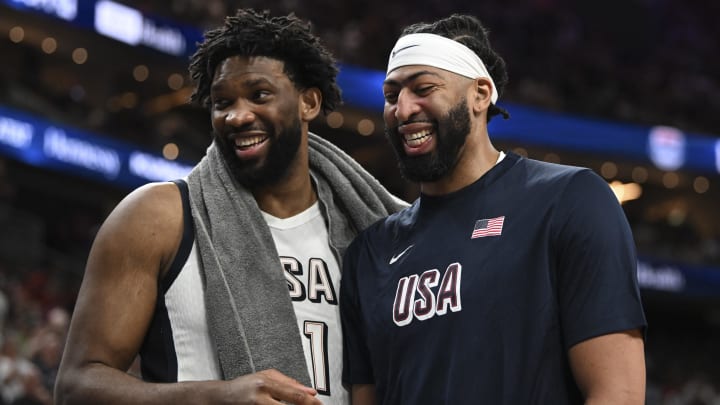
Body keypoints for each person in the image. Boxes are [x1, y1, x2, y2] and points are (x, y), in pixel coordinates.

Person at [54, 9, 405, 405]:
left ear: (309, 102)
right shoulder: (158, 216)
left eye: (259, 95)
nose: (237, 116)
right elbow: (77, 387)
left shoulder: (372, 233)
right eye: (223, 103)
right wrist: (217, 397)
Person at [340, 14, 647, 405]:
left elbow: (617, 392)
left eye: (423, 88)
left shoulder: (568, 199)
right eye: (391, 94)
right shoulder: (369, 253)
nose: (402, 109)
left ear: (480, 95)